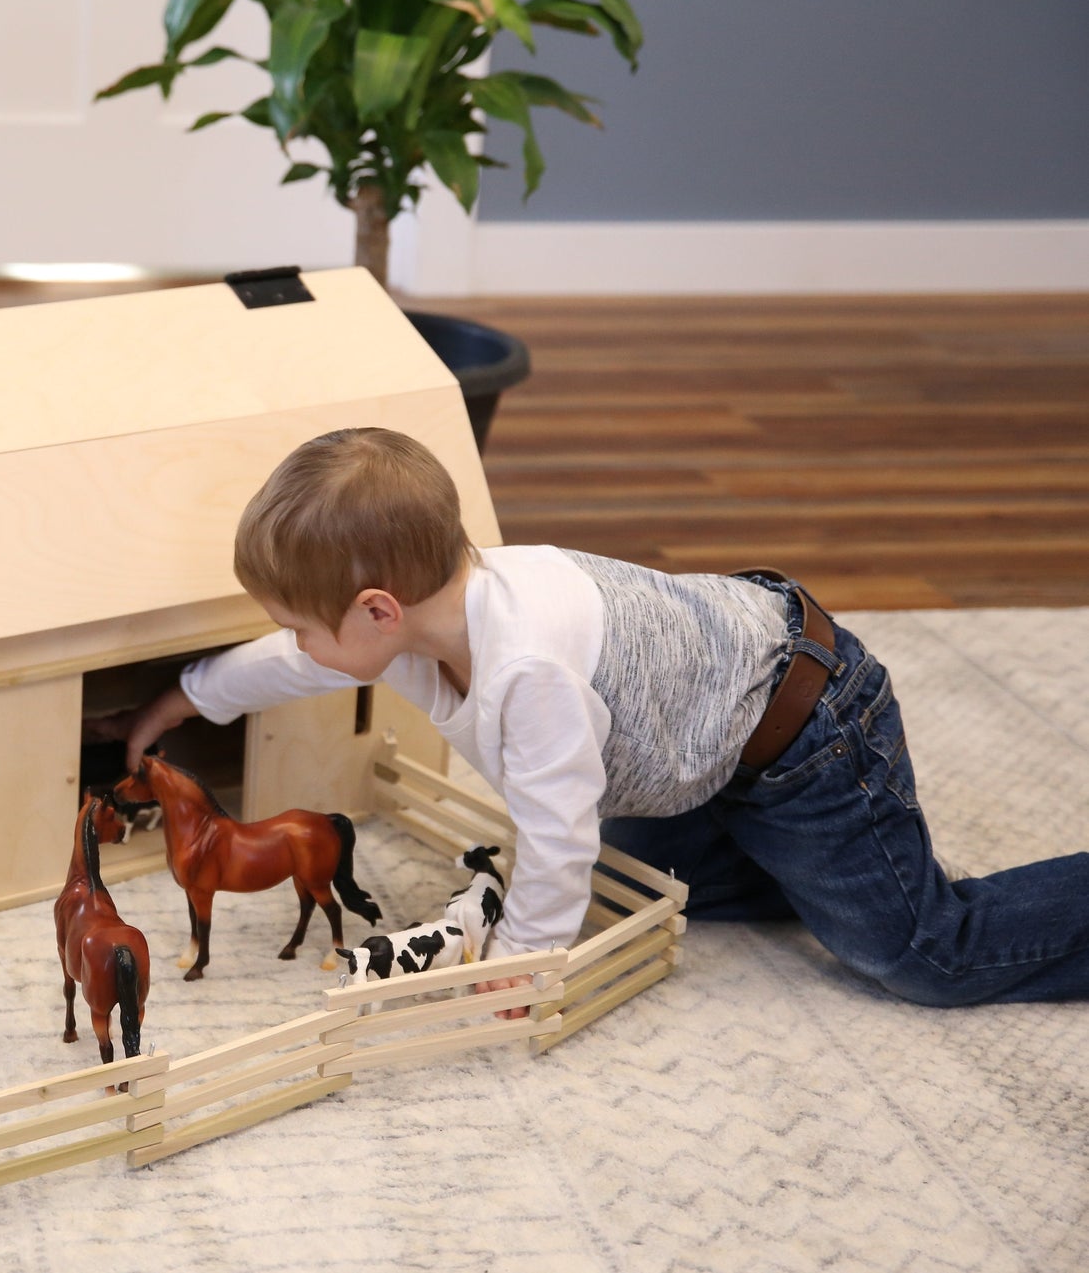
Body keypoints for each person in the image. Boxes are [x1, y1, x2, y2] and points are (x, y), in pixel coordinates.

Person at [102, 426, 1089, 1009]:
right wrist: (181, 699)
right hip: (705, 733)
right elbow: (290, 665)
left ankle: (851, 872)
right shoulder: (419, 615)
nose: (294, 643)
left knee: (913, 954)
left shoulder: (528, 674)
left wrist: (522, 968)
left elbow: (554, 839)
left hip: (807, 733)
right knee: (645, 881)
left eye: (299, 625)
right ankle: (790, 865)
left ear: (376, 611)